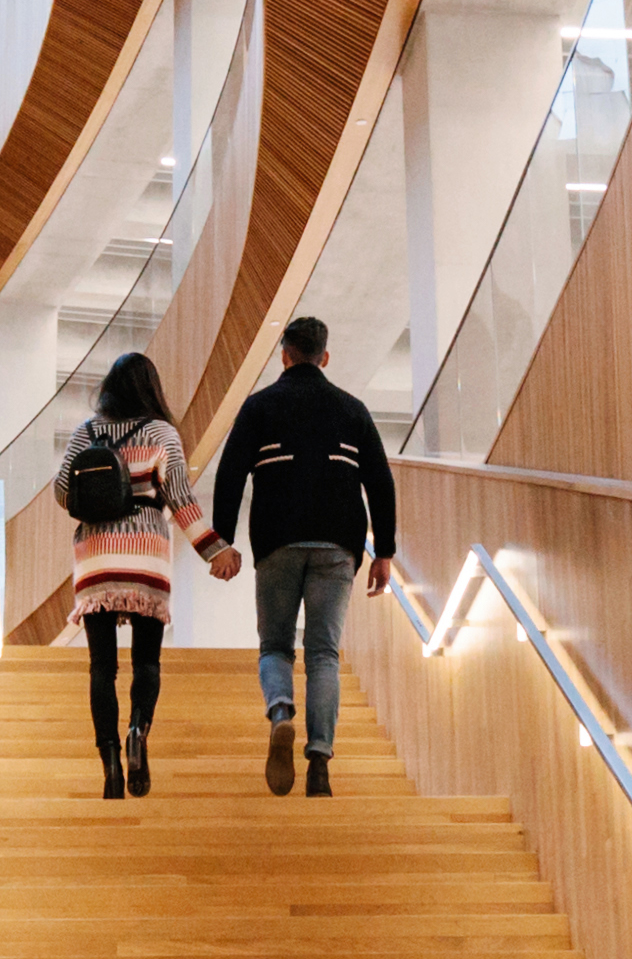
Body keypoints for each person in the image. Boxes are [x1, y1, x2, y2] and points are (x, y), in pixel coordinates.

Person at [200, 316, 400, 796]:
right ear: (324, 357)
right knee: (324, 653)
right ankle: (319, 766)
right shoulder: (352, 410)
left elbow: (229, 475)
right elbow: (380, 482)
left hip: (277, 542)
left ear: (284, 354)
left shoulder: (259, 407)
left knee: (274, 647)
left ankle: (282, 711)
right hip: (338, 546)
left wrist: (223, 542)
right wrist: (384, 551)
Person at [60, 347, 195, 799]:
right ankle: (139, 729)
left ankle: (111, 764)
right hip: (146, 551)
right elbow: (180, 497)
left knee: (102, 666)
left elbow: (63, 491)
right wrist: (214, 549)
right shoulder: (162, 433)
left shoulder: (87, 432)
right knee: (147, 661)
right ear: (151, 388)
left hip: (96, 555)